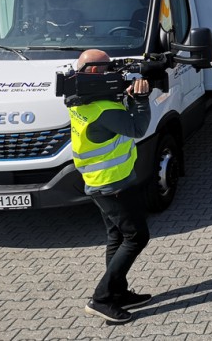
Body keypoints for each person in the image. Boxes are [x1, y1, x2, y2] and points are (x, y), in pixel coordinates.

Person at [69, 49, 153, 324]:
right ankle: (102, 299)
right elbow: (137, 129)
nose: (114, 74)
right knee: (137, 237)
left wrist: (124, 96)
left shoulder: (79, 100)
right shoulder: (104, 110)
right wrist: (140, 100)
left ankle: (119, 292)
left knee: (116, 237)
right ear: (93, 72)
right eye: (108, 69)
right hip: (113, 185)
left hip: (100, 183)